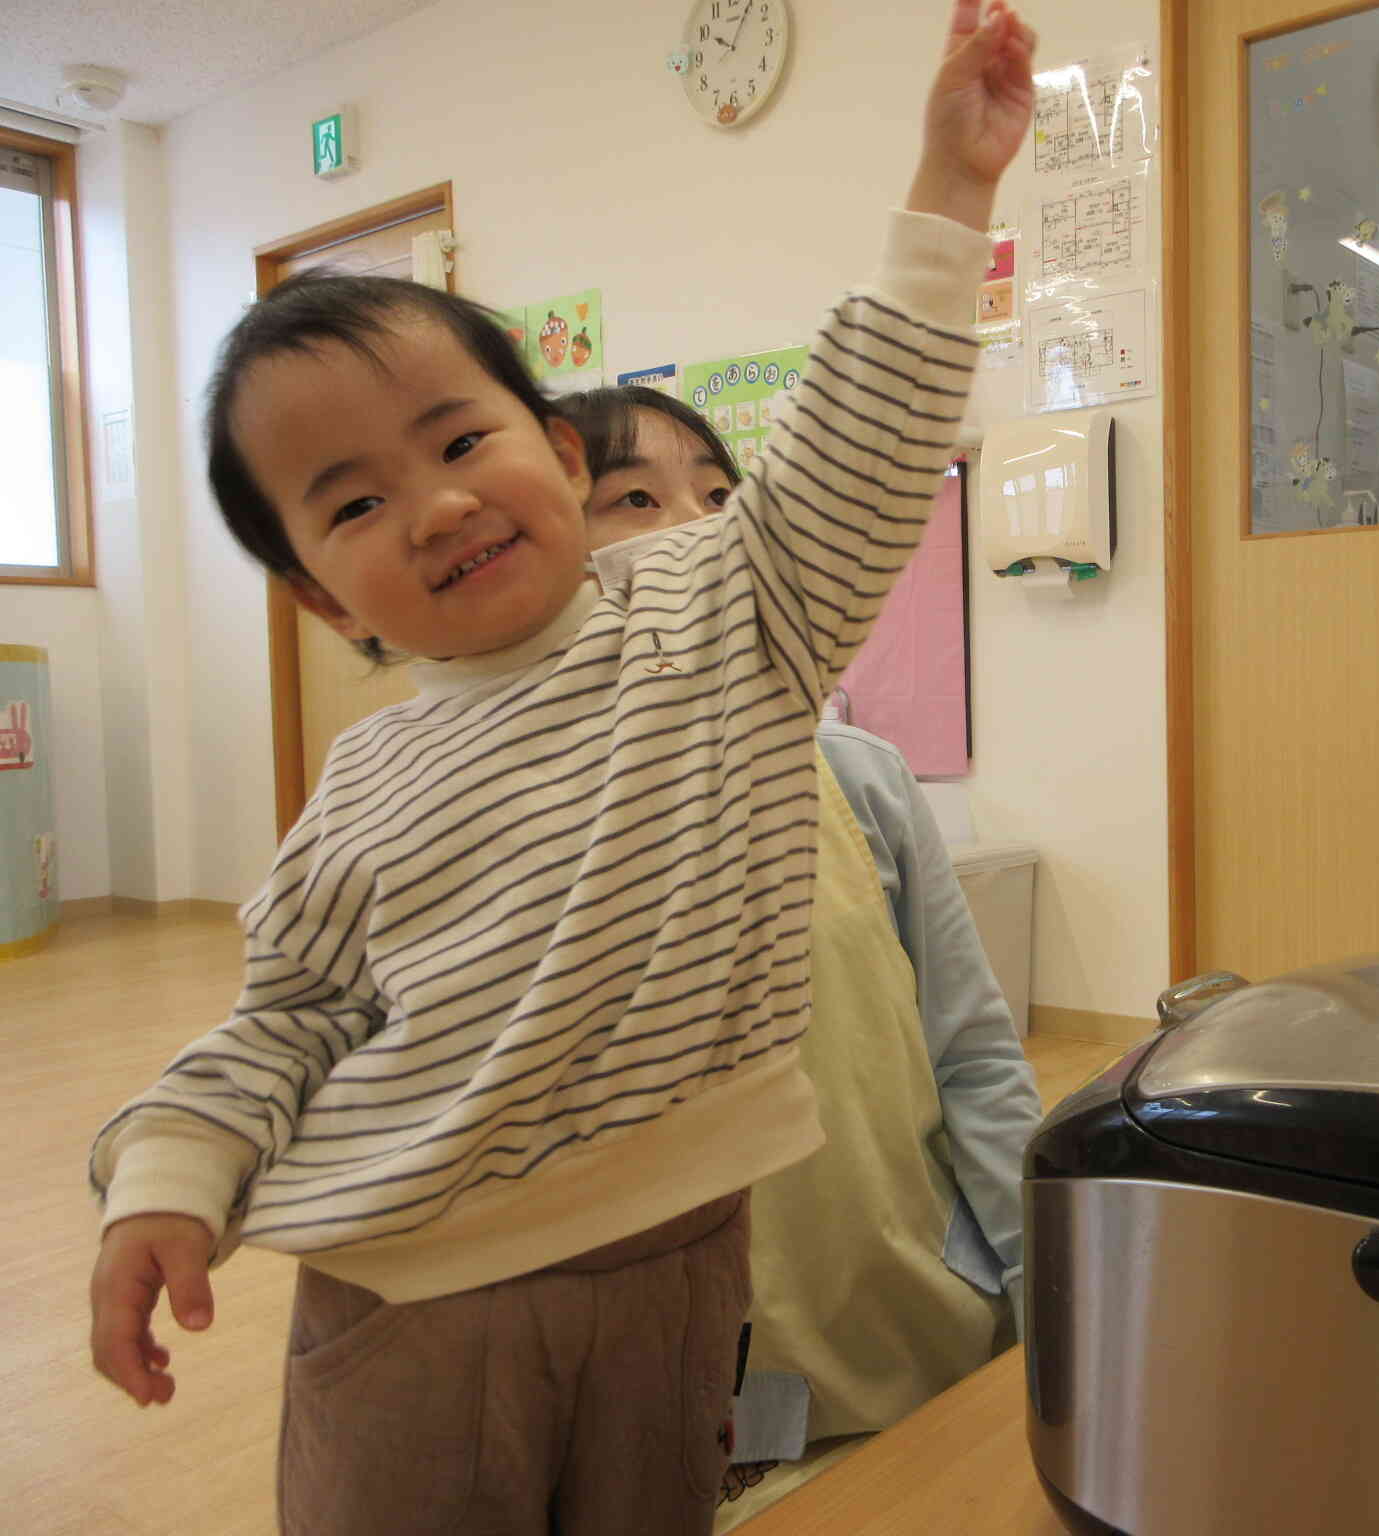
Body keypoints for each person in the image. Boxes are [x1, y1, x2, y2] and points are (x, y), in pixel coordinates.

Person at [82, 6, 1037, 1534]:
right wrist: (166, 1184)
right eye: (351, 503)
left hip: (683, 1267)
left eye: (459, 439)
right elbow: (288, 1021)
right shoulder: (372, 781)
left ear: (555, 446)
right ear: (328, 603)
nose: (436, 505)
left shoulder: (723, 616)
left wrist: (951, 190)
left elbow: (860, 444)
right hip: (423, 1291)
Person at [564, 386, 1041, 1477]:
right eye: (632, 496)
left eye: (720, 495)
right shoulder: (528, 809)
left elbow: (969, 1050)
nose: (697, 526)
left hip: (912, 1321)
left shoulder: (853, 773)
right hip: (685, 1386)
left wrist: (1036, 1285)